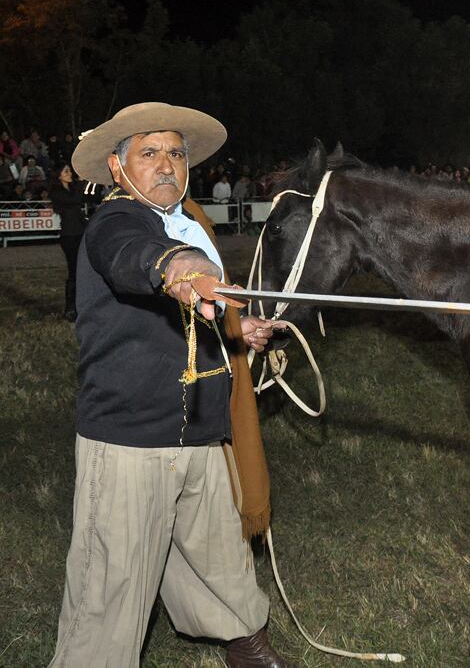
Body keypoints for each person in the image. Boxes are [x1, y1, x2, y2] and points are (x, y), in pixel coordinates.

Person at [51, 102, 290, 667]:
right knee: (111, 579)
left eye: (176, 154)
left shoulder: (189, 222)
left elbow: (199, 305)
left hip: (200, 430)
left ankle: (246, 644)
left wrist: (240, 323)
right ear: (117, 167)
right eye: (149, 153)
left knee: (216, 552)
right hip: (132, 434)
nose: (166, 165)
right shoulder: (117, 221)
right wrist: (178, 266)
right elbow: (136, 255)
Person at [48, 164, 87, 321]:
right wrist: (81, 182)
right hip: (69, 236)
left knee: (80, 271)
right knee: (73, 271)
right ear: (59, 176)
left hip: (79, 233)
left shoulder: (71, 190)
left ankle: (79, 306)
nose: (69, 173)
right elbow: (75, 200)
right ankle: (70, 308)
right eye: (66, 171)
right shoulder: (58, 193)